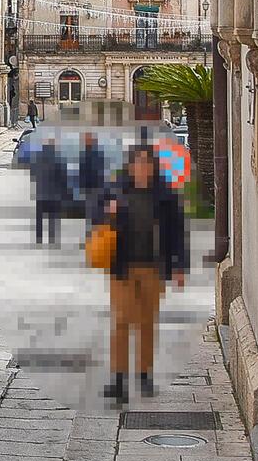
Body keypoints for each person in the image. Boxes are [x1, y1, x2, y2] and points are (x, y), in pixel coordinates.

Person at [102, 144, 190, 404]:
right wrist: (108, 214)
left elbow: (177, 233)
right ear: (130, 166)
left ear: (153, 167)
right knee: (121, 320)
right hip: (122, 267)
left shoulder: (165, 195)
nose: (142, 168)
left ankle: (144, 374)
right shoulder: (117, 190)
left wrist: (179, 266)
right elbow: (94, 218)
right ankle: (118, 379)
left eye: (146, 163)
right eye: (137, 162)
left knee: (146, 321)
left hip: (153, 267)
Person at [30, 136, 69, 246]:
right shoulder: (58, 158)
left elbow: (32, 172)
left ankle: (38, 238)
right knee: (53, 217)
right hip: (54, 193)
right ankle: (52, 239)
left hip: (41, 191)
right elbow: (63, 176)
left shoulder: (38, 157)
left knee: (39, 216)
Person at [76, 132, 108, 227]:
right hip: (93, 186)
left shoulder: (90, 154)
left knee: (93, 209)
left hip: (93, 186)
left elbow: (84, 171)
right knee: (94, 209)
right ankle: (95, 227)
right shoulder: (93, 153)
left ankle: (95, 228)